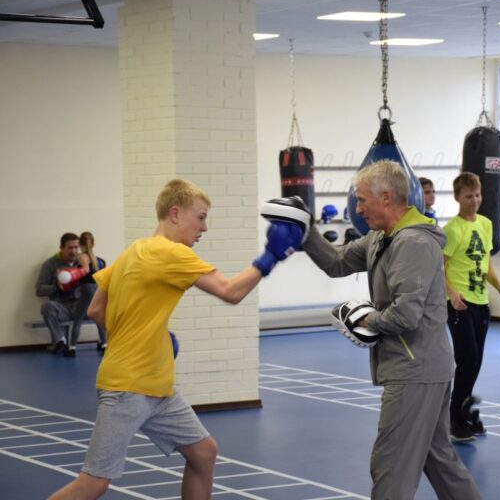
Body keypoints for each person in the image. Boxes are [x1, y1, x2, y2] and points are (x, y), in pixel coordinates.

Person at [48, 178, 306, 500]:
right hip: (127, 387)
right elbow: (230, 291)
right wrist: (271, 256)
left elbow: (98, 309)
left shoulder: (133, 251)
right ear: (175, 213)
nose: (205, 227)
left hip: (158, 387)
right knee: (94, 482)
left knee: (203, 453)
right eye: (200, 217)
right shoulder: (171, 253)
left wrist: (147, 334)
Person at [301, 161, 481, 500]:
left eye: (362, 200)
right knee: (439, 460)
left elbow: (407, 314)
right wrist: (305, 230)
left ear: (386, 198)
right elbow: (337, 262)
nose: (358, 208)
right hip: (419, 366)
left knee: (391, 464)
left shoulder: (413, 243)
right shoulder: (379, 239)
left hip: (417, 369)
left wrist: (367, 321)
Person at [443, 172, 500, 442]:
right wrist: (452, 295)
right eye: (469, 196)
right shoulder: (452, 230)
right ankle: (455, 417)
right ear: (458, 197)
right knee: (467, 358)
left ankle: (465, 409)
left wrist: (499, 286)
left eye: (478, 195)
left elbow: (485, 264)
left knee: (476, 361)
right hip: (460, 304)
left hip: (481, 302)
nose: (475, 200)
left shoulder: (485, 224)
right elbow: (440, 269)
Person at [35, 233, 91, 357]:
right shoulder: (50, 264)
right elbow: (39, 290)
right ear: (61, 247)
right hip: (62, 307)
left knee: (107, 302)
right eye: (70, 248)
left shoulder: (84, 261)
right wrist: (57, 287)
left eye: (76, 247)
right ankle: (60, 340)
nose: (74, 251)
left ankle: (106, 343)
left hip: (82, 307)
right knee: (46, 307)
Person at [76, 231, 108, 352]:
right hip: (98, 288)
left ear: (80, 244)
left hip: (85, 289)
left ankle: (71, 346)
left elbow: (84, 271)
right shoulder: (101, 261)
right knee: (98, 315)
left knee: (78, 318)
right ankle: (104, 343)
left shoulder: (81, 258)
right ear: (93, 244)